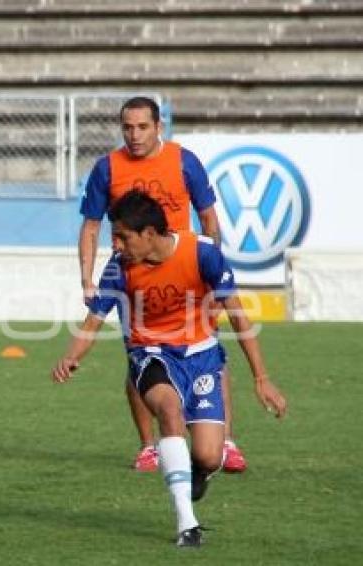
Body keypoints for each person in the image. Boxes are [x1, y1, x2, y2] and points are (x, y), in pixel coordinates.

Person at [52, 190, 287, 548]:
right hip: (151, 354)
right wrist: (73, 356)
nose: (115, 245)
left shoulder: (203, 253)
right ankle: (186, 524)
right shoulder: (119, 266)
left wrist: (262, 378)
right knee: (169, 411)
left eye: (122, 236)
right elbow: (95, 318)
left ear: (149, 233)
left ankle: (199, 472)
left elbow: (238, 316)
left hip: (203, 356)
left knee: (210, 455)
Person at [78, 96, 247, 473]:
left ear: (158, 127)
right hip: (133, 273)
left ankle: (227, 439)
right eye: (127, 127)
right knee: (139, 354)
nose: (134, 135)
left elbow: (208, 218)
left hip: (186, 269)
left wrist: (215, 277)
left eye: (142, 127)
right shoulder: (106, 169)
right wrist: (86, 279)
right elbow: (90, 226)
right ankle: (148, 446)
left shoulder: (184, 161)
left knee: (210, 351)